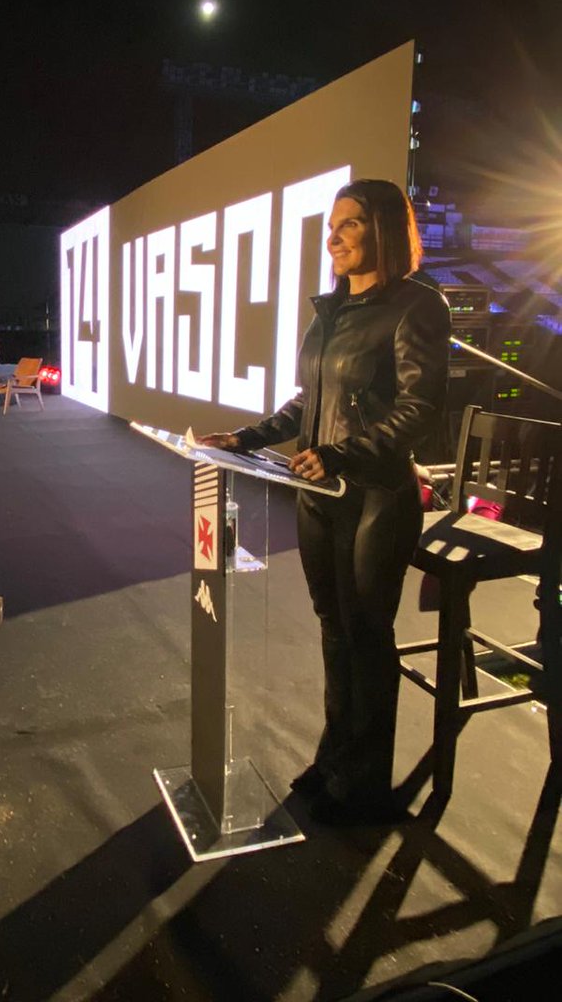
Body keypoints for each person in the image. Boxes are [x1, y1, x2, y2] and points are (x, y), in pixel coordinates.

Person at [200, 179, 450, 825]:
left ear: (383, 230)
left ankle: (364, 787)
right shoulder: (331, 310)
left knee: (366, 636)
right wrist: (246, 438)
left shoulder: (417, 306)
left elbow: (421, 407)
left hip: (377, 498)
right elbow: (308, 402)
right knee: (334, 629)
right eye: (332, 226)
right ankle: (336, 760)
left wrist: (344, 454)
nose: (333, 238)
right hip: (319, 497)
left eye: (350, 224)